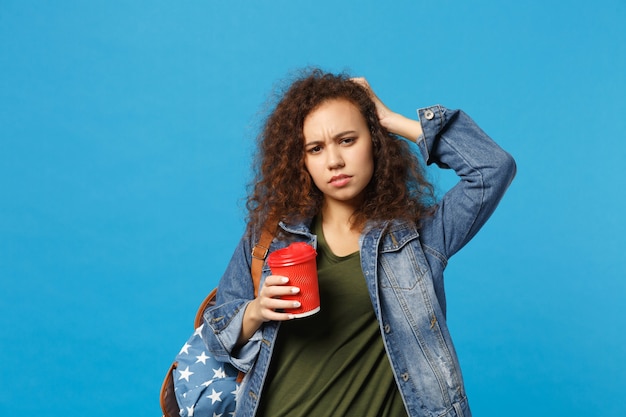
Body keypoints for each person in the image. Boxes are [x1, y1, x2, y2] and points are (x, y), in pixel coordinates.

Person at [202, 69, 516, 417]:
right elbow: (215, 335)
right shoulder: (271, 236)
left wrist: (392, 119)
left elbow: (492, 168)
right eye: (316, 148)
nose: (334, 161)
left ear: (375, 140)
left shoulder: (420, 238)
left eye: (347, 140)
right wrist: (256, 311)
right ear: (301, 160)